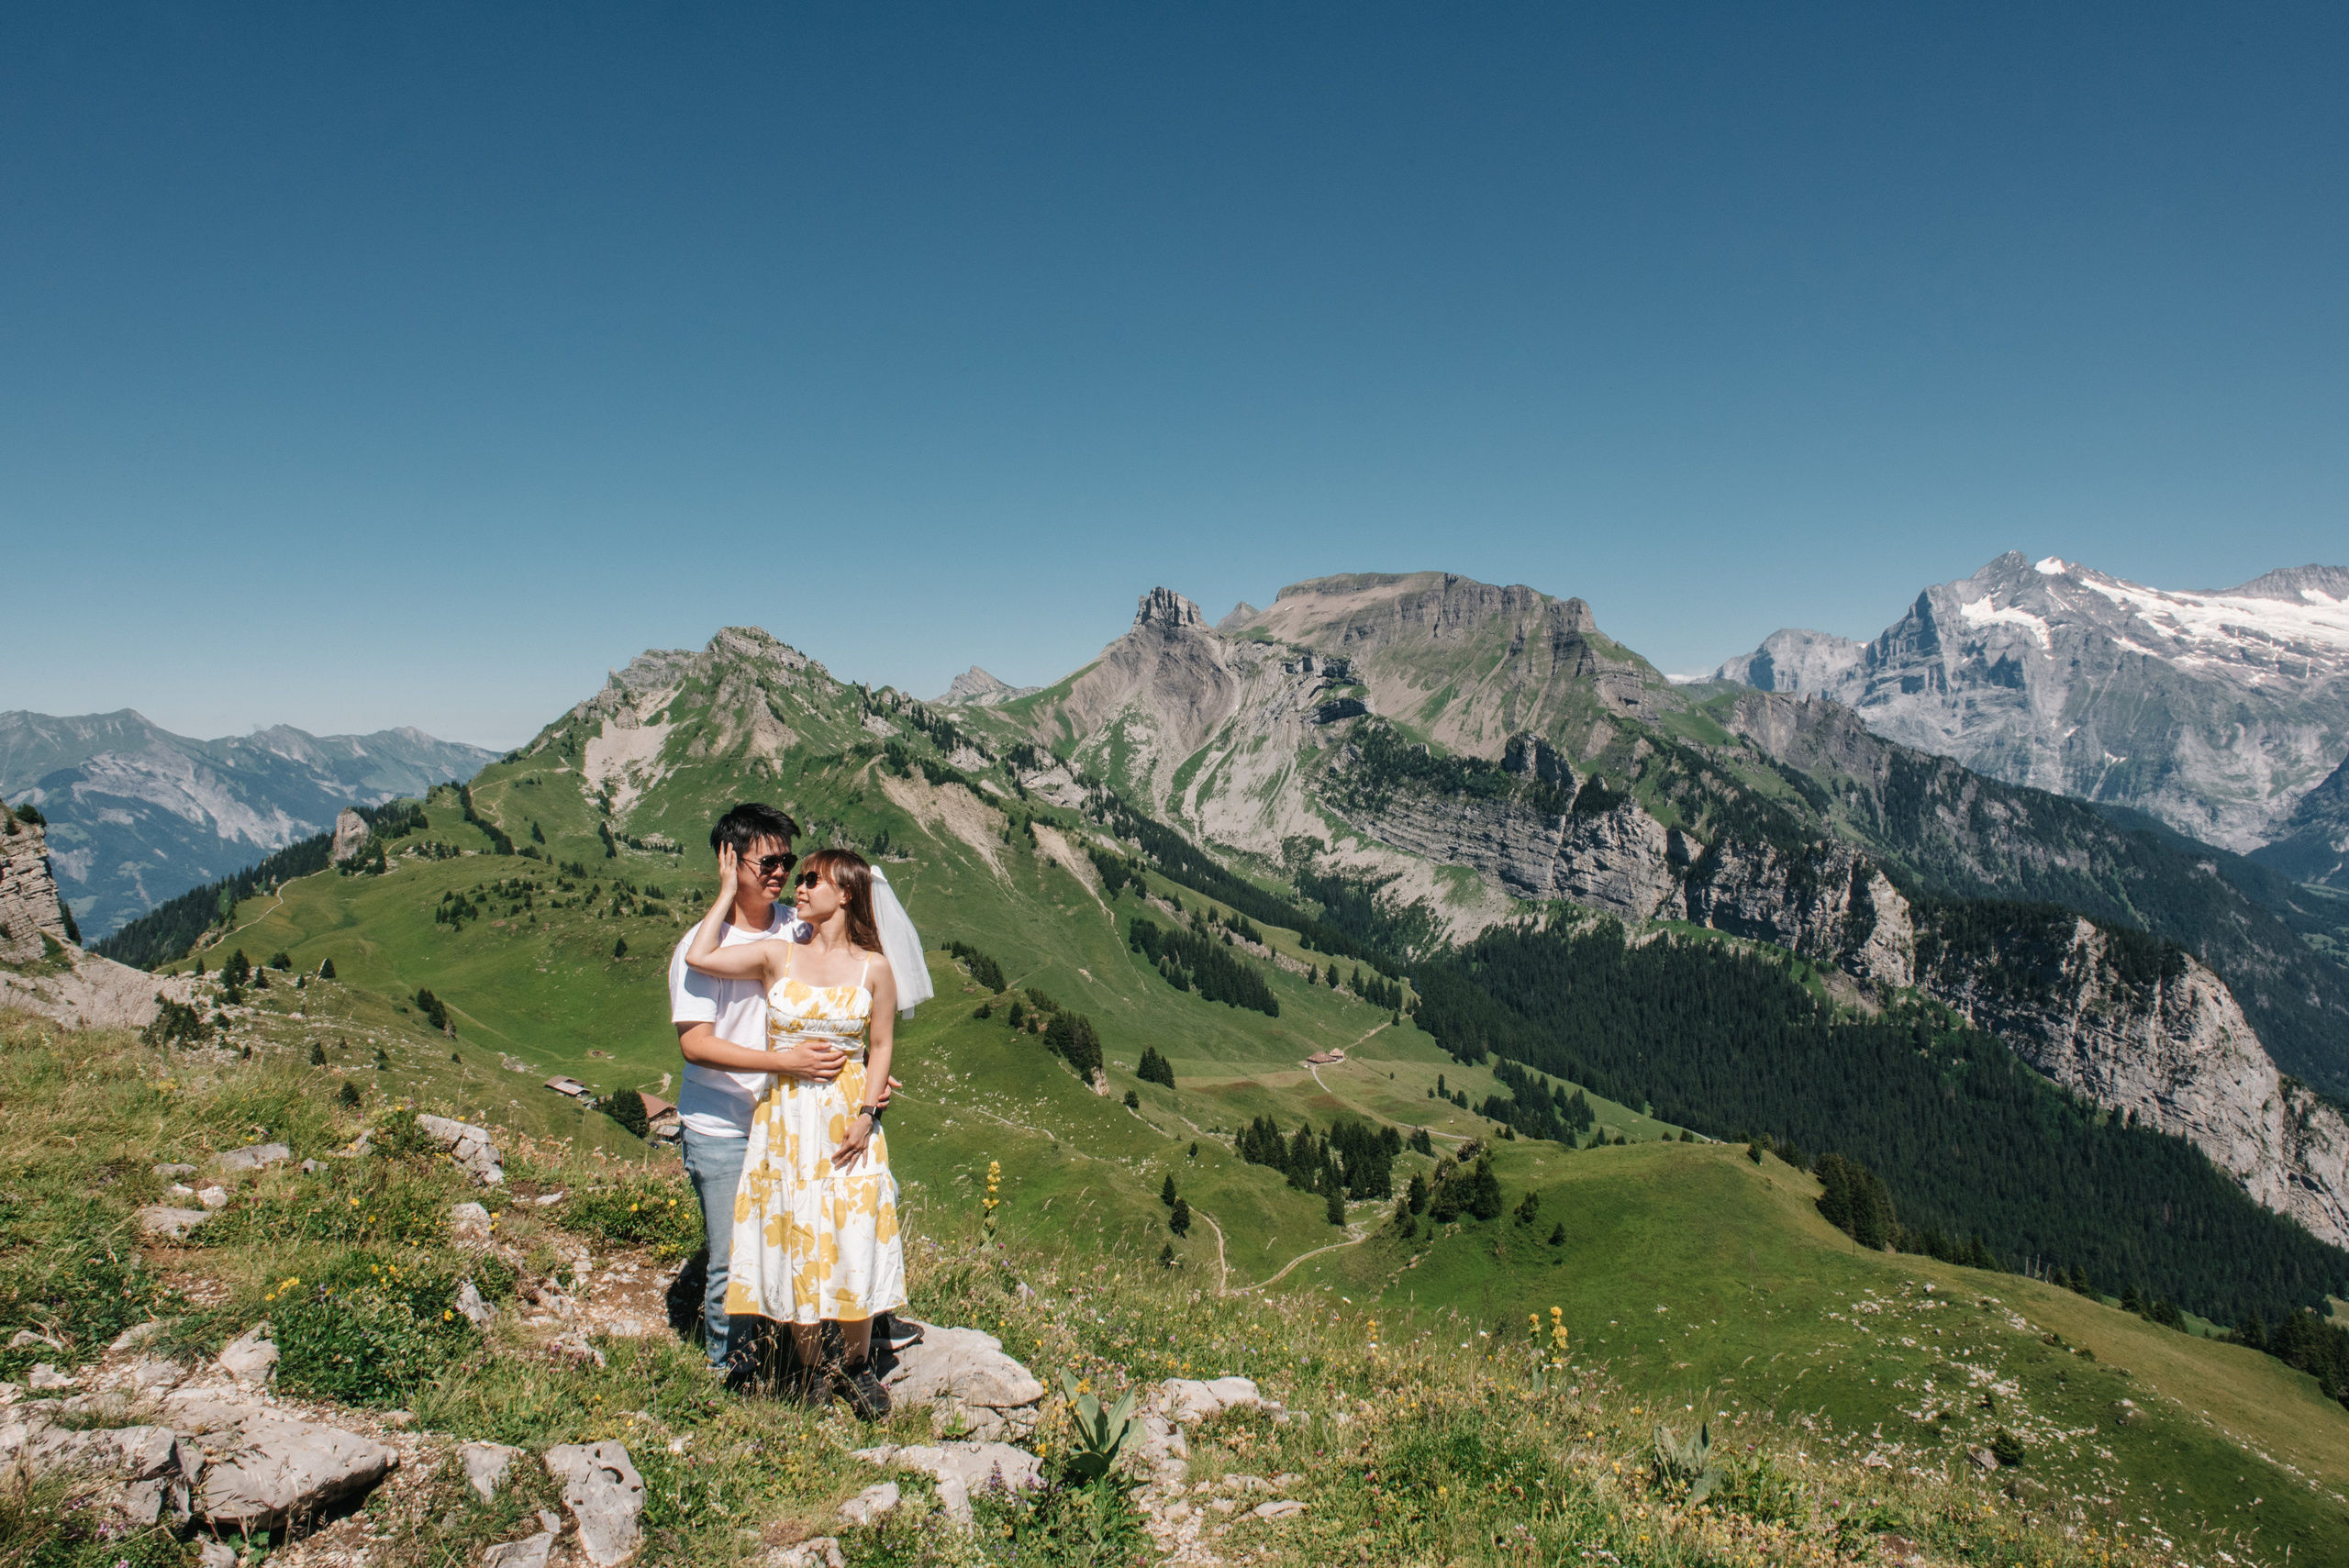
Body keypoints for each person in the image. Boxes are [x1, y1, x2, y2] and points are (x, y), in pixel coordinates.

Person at [684, 844, 907, 1416]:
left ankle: (855, 1367)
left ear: (847, 893)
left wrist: (865, 1115)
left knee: (851, 1231)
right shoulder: (777, 955)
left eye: (812, 879)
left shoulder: (873, 967)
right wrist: (730, 890)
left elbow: (880, 1045)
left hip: (843, 1119)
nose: (798, 887)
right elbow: (701, 956)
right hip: (783, 1118)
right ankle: (809, 1370)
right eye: (800, 878)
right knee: (796, 1228)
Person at [668, 803, 853, 1376]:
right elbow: (695, 1043)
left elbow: (829, 1004)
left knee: (792, 1237)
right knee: (731, 1255)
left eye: (789, 861)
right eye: (767, 861)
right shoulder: (699, 948)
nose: (781, 873)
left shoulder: (795, 931)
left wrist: (864, 1066)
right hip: (722, 1124)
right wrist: (783, 1062)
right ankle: (731, 1369)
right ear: (731, 861)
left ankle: (805, 1355)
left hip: (786, 1119)